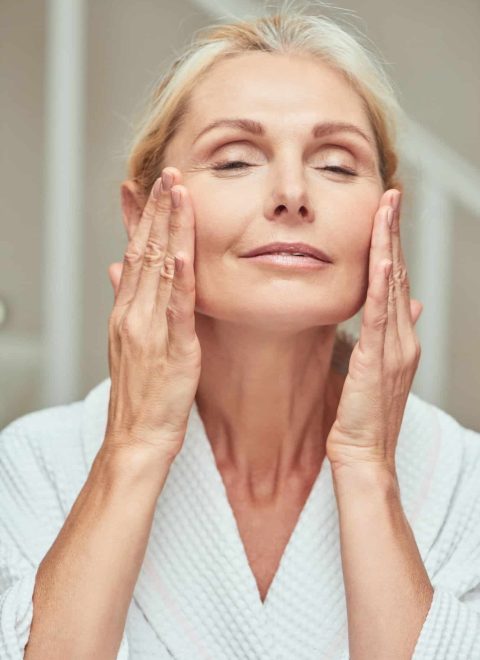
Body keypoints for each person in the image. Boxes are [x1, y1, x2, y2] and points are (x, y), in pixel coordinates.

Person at [1, 2, 480, 658]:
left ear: (385, 219)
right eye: (233, 161)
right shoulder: (33, 468)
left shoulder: (462, 484)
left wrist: (368, 467)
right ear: (143, 216)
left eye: (337, 165)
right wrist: (134, 448)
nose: (292, 192)